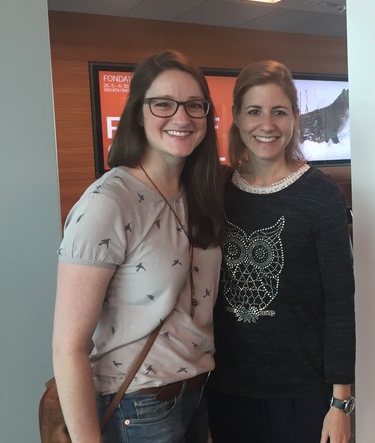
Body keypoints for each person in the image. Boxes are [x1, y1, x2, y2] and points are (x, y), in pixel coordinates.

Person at [52, 50, 223, 443]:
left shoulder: (197, 193)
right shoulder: (108, 201)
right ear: (137, 113)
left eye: (194, 105)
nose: (182, 118)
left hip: (196, 396)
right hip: (137, 406)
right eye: (163, 104)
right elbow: (68, 348)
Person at [207, 60, 356, 443]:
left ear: (295, 117)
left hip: (304, 395)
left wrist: (341, 403)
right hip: (228, 391)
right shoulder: (215, 191)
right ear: (237, 117)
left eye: (279, 112)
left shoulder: (321, 195)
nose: (267, 124)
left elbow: (340, 304)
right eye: (254, 111)